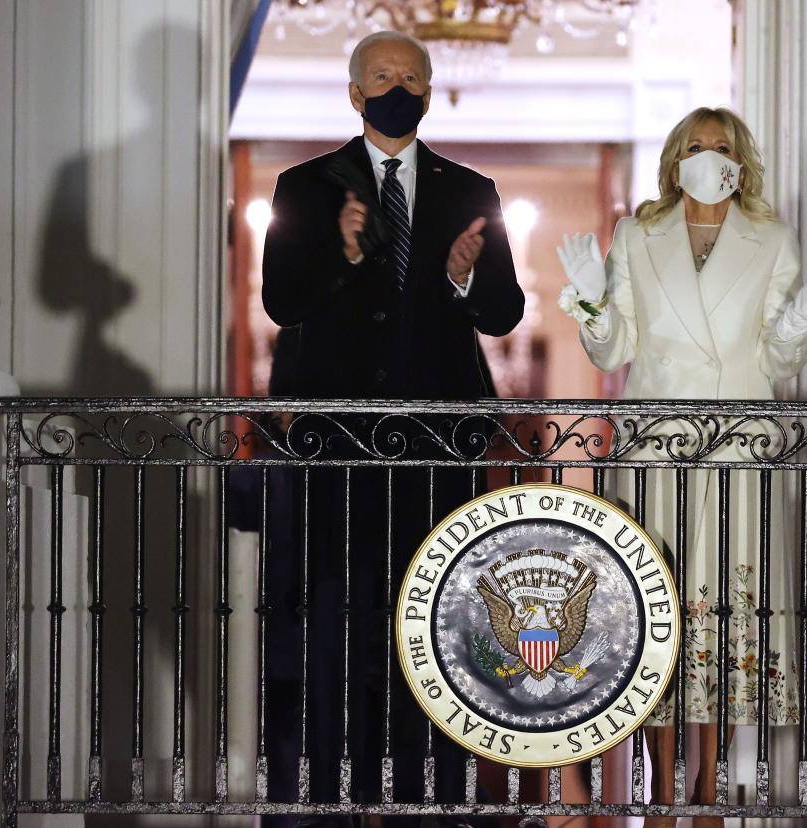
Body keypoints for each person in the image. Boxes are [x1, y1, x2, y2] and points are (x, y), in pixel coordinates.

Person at [261, 30, 525, 828]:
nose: (398, 85)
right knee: (335, 622)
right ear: (354, 92)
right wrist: (341, 256)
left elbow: (504, 311)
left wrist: (463, 277)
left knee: (433, 622)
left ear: (431, 88)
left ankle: (429, 797)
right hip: (336, 450)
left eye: (412, 75)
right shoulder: (305, 186)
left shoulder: (469, 186)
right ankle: (332, 796)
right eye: (383, 75)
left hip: (439, 449)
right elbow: (282, 301)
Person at [557, 106, 807, 824]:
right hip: (656, 446)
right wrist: (591, 296)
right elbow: (613, 350)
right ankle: (659, 785)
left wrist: (804, 315)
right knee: (658, 615)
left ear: (739, 159)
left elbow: (776, 356)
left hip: (737, 447)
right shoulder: (638, 234)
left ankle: (708, 789)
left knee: (723, 614)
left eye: (718, 147)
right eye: (693, 147)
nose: (706, 157)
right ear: (674, 159)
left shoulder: (771, 238)